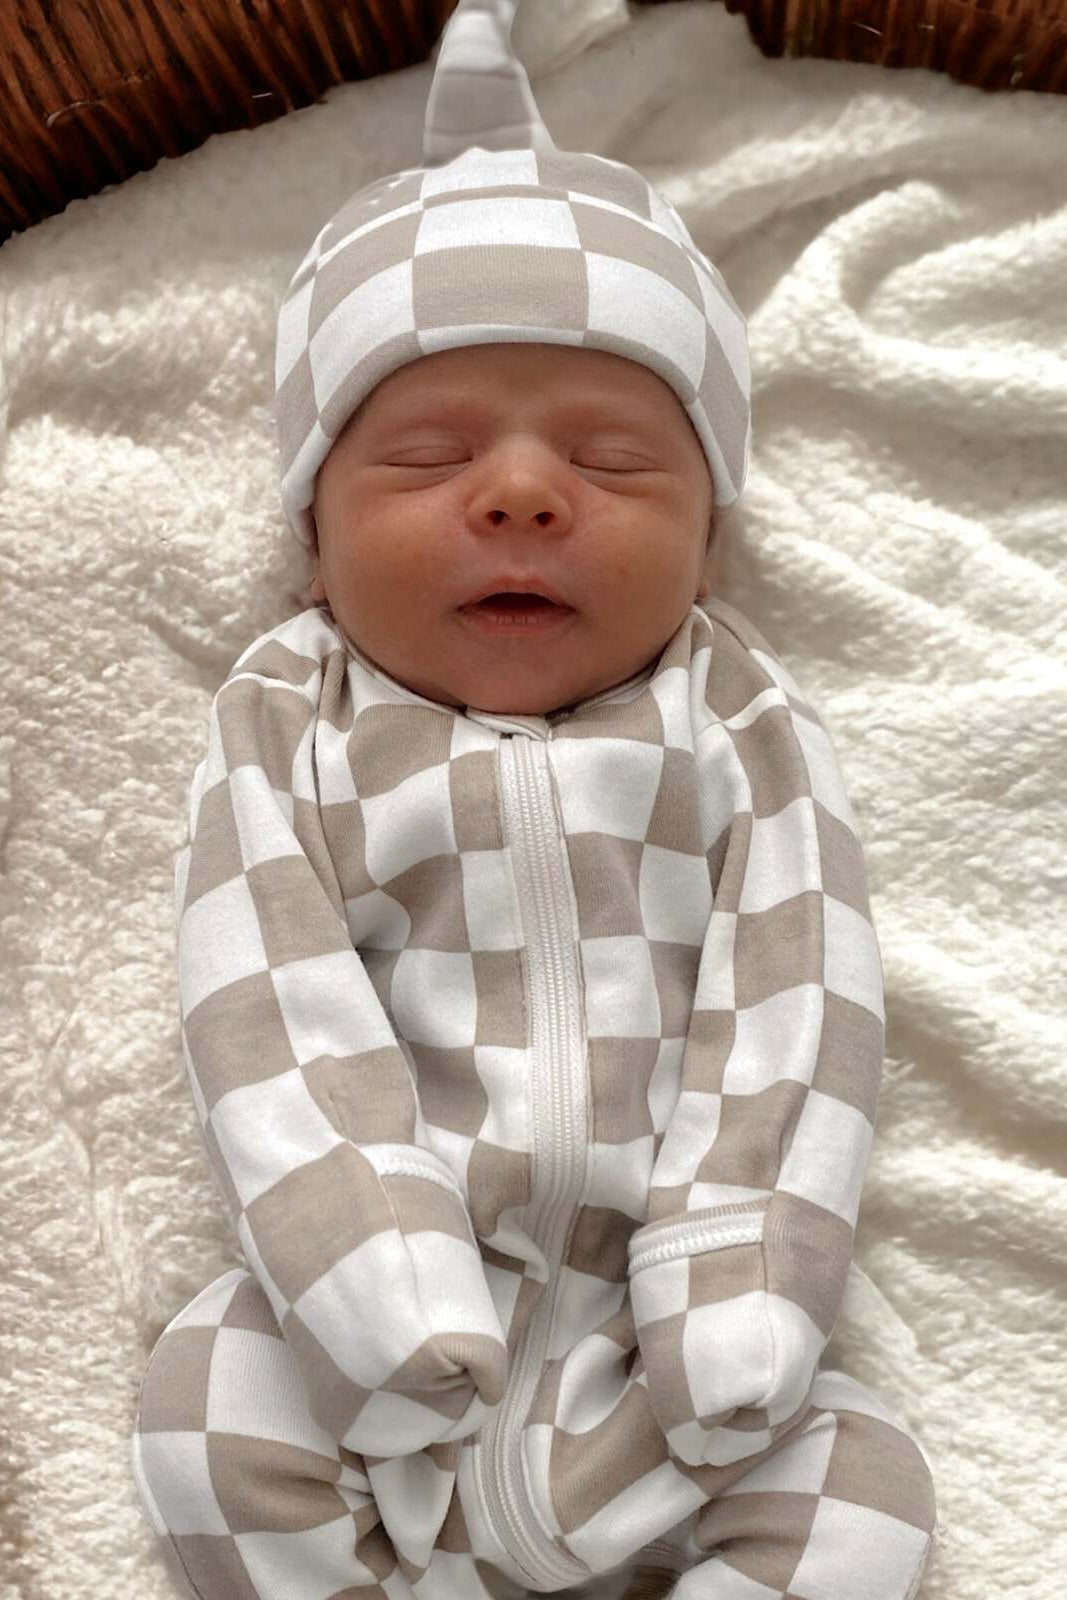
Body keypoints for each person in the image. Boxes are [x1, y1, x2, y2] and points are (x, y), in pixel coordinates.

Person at [130, 3, 938, 1597]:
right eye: (427, 454)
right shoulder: (295, 719)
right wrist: (369, 1277)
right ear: (313, 537)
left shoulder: (737, 722)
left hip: (675, 1352)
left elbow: (802, 991)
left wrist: (736, 1287)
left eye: (615, 461)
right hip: (369, 1333)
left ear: (708, 542)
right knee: (203, 1404)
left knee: (866, 1484)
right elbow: (261, 990)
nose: (518, 491)